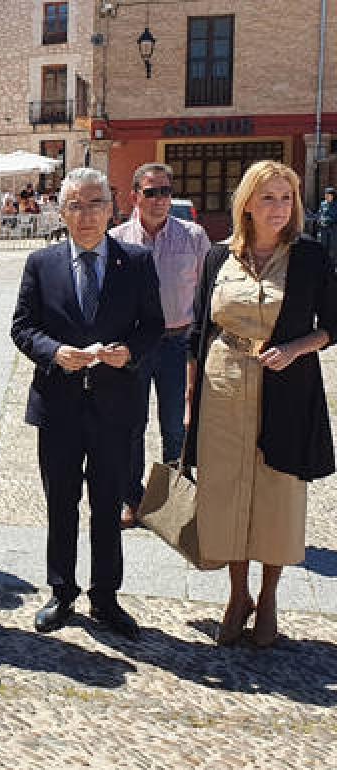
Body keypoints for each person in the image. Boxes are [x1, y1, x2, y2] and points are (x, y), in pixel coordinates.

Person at [187, 161, 337, 647]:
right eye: (269, 198)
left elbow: (333, 324)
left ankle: (269, 597)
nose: (279, 208)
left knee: (276, 495)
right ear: (247, 203)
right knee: (227, 492)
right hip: (223, 385)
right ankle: (237, 595)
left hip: (286, 388)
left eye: (287, 198)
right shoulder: (217, 256)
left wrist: (295, 349)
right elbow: (197, 330)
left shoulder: (310, 256)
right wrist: (191, 398)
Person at [10, 167, 163, 640]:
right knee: (61, 502)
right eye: (75, 205)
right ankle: (61, 592)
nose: (85, 214)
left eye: (95, 203)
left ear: (112, 207)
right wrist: (54, 352)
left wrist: (129, 354)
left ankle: (106, 597)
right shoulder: (42, 262)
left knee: (107, 504)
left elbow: (153, 326)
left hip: (116, 407)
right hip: (59, 406)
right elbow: (22, 327)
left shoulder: (135, 261)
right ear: (62, 211)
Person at [110, 163, 210, 529]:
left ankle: (172, 500)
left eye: (165, 191)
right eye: (151, 192)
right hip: (135, 346)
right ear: (135, 195)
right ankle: (131, 499)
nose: (159, 199)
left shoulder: (194, 237)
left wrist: (199, 349)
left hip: (176, 343)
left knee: (175, 425)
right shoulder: (118, 240)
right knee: (132, 423)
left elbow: (207, 295)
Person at [317, 186, 336, 259]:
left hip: (332, 230)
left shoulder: (335, 205)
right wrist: (319, 219)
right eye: (325, 195)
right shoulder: (323, 203)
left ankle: (333, 265)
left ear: (332, 196)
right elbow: (319, 213)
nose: (326, 196)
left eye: (328, 195)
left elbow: (334, 217)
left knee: (332, 249)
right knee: (322, 246)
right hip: (323, 229)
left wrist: (326, 219)